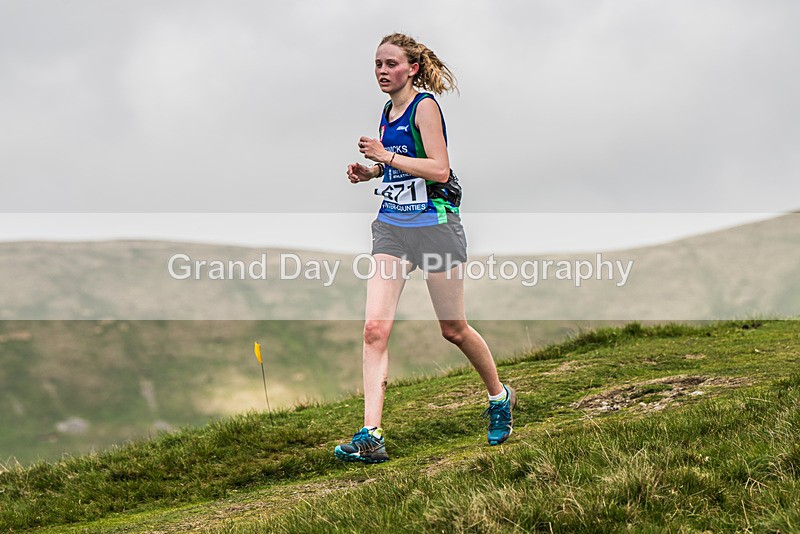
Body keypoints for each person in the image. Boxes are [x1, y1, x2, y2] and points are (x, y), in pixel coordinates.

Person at [335, 33, 515, 464]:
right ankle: (372, 436)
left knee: (453, 329)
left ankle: (498, 397)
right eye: (377, 64)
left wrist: (385, 157)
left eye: (391, 64)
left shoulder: (425, 106)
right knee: (374, 329)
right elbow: (399, 159)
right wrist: (371, 170)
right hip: (393, 228)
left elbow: (438, 167)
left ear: (412, 68)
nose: (382, 71)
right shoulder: (387, 110)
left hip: (435, 226)